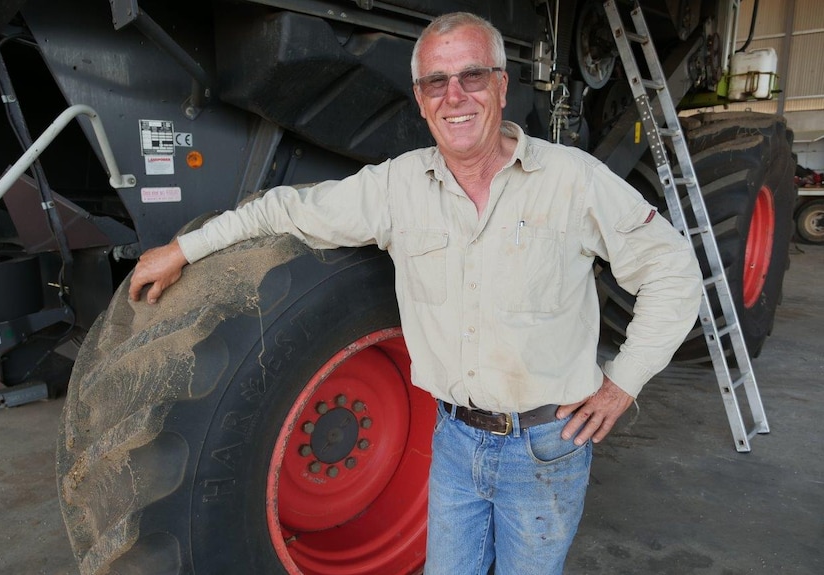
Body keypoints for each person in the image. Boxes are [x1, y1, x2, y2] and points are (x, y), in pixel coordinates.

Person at [128, 11, 702, 575]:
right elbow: (288, 209)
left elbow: (672, 270)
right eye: (436, 82)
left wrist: (623, 382)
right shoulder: (398, 187)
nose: (455, 96)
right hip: (454, 445)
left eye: (472, 76)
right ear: (421, 98)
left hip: (544, 449)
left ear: (501, 86)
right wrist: (187, 249)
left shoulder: (571, 179)